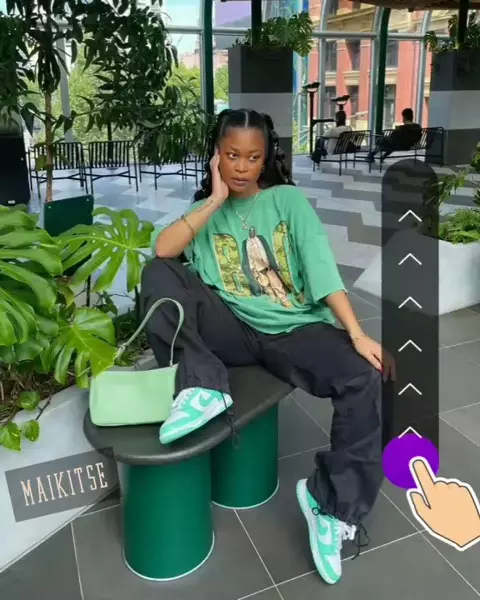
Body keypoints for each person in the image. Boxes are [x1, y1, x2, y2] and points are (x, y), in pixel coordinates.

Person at [140, 108, 395, 586]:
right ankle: (202, 385)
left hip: (295, 331)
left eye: (252, 157)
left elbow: (321, 268)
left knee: (367, 377)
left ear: (266, 158)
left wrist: (357, 334)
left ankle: (331, 507)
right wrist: (215, 199)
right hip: (232, 329)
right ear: (216, 155)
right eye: (232, 155)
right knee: (157, 274)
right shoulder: (205, 210)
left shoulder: (286, 201)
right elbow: (164, 251)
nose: (241, 167)